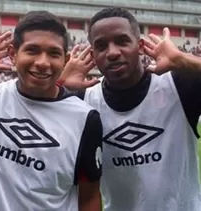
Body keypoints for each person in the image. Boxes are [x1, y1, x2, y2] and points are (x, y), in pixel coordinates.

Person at [0, 10, 103, 211]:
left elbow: (89, 197)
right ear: (13, 54)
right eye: (32, 50)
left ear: (65, 59)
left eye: (54, 53)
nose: (42, 62)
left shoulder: (86, 119)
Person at [60, 7, 201, 211]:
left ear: (140, 46)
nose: (113, 52)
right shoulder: (83, 99)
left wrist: (182, 60)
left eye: (122, 41)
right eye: (101, 46)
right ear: (93, 55)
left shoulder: (177, 86)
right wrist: (59, 86)